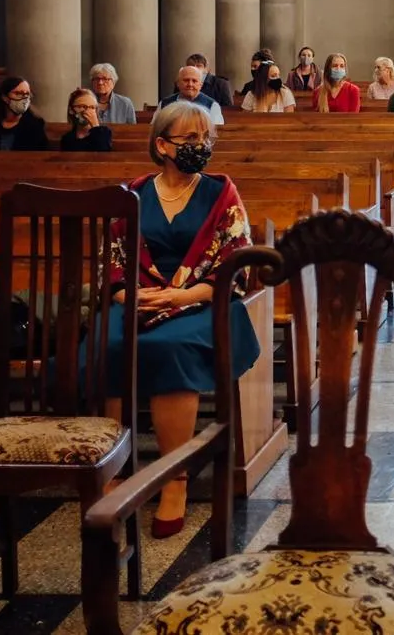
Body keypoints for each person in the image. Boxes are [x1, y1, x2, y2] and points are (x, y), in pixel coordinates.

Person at [96, 101, 261, 538]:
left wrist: (181, 294)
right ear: (162, 144)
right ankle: (113, 467)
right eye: (190, 139)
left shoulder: (221, 192)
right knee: (109, 344)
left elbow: (236, 260)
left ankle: (175, 476)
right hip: (141, 300)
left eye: (206, 139)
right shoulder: (132, 193)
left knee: (167, 347)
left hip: (204, 302)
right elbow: (112, 260)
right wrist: (127, 293)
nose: (200, 147)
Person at [0, 76, 48, 151]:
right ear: (5, 97)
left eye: (27, 94)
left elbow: (42, 156)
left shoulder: (35, 126)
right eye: (18, 94)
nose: (23, 98)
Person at [161, 66, 226, 126]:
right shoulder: (165, 104)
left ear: (200, 85)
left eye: (194, 81)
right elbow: (155, 128)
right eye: (186, 80)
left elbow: (217, 132)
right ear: (178, 83)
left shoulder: (212, 105)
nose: (190, 84)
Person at [61, 88, 114, 152]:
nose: (88, 111)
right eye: (82, 106)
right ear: (71, 110)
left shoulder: (105, 133)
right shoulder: (67, 138)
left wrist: (95, 126)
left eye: (92, 107)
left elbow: (103, 154)